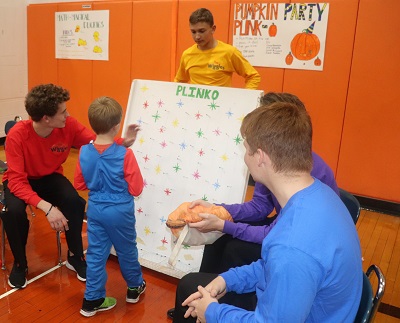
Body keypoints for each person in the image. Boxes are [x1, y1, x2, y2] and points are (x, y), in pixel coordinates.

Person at [173, 101, 363, 322]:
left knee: (190, 291)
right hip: (310, 306)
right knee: (193, 284)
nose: (245, 157)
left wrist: (213, 313)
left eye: (246, 149)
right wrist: (228, 279)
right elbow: (271, 266)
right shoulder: (318, 194)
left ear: (260, 157)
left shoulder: (292, 246)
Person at [1, 84, 137, 289]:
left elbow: (96, 141)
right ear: (46, 118)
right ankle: (21, 264)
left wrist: (122, 142)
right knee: (14, 213)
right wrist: (48, 208)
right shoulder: (17, 135)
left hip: (50, 177)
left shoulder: (69, 126)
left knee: (74, 202)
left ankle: (75, 257)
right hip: (21, 181)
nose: (68, 114)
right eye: (63, 111)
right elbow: (17, 182)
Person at [74, 96, 145, 317]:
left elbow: (79, 183)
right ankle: (134, 288)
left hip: (95, 209)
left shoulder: (84, 151)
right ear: (116, 126)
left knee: (95, 254)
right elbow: (136, 189)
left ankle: (91, 300)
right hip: (120, 211)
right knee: (126, 250)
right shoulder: (126, 154)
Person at [174, 8, 261, 90]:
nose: (197, 36)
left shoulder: (229, 52)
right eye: (193, 32)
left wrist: (246, 97)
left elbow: (253, 76)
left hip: (221, 105)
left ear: (213, 29)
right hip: (195, 104)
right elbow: (179, 82)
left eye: (201, 31)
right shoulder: (187, 54)